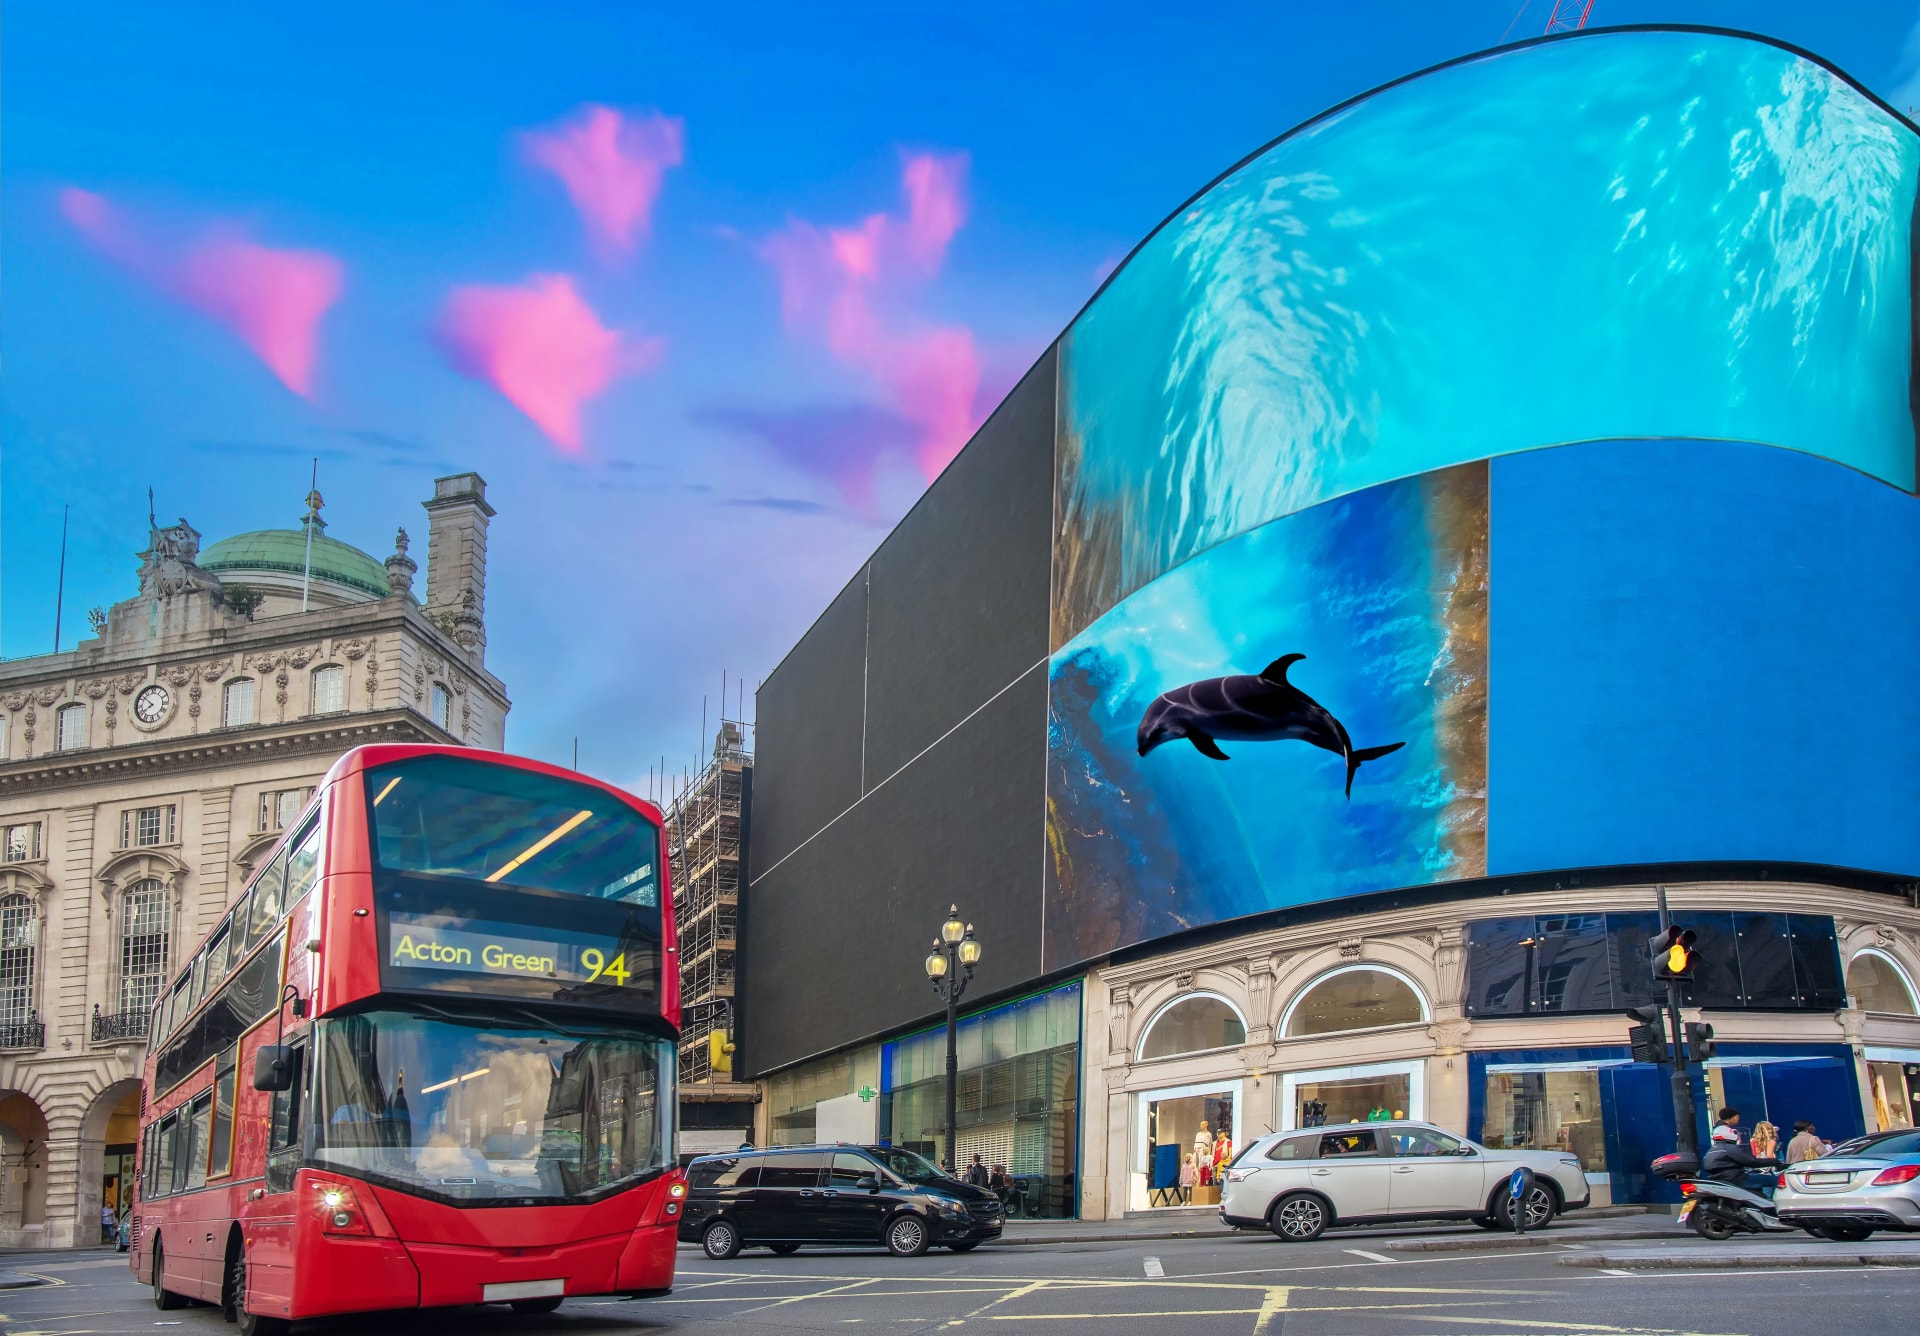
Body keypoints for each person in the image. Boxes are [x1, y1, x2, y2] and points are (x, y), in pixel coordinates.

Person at [1701, 1123, 1778, 1189]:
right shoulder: (1730, 1148)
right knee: (1776, 1180)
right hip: (1736, 1180)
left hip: (1721, 1182)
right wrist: (1775, 1162)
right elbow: (1752, 1161)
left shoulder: (1711, 1151)